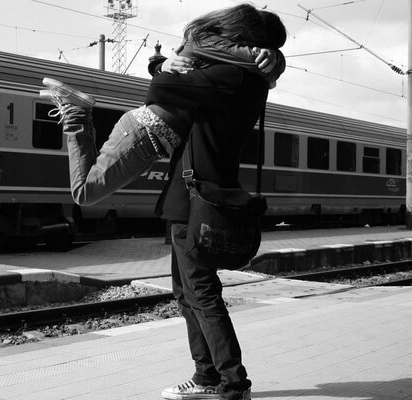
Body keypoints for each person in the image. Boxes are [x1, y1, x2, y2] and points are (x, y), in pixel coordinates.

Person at [153, 6, 287, 400]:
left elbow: (162, 89)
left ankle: (232, 384)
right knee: (187, 293)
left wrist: (171, 65)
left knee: (202, 293)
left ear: (235, 38)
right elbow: (176, 81)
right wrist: (169, 63)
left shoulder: (231, 75)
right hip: (194, 196)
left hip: (198, 199)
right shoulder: (244, 76)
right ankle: (206, 376)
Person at [39, 13, 285, 206]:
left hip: (146, 135)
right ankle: (75, 114)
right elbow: (262, 69)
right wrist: (272, 57)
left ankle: (78, 115)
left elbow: (267, 74)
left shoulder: (211, 47)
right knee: (84, 193)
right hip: (145, 133)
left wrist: (275, 58)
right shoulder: (209, 44)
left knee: (88, 189)